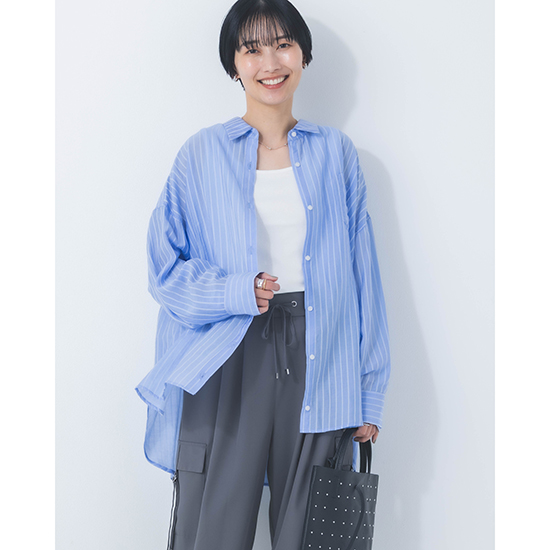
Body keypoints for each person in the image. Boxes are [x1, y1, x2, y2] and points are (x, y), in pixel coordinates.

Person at [135, 1, 391, 549]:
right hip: (227, 354)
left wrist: (369, 391)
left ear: (303, 55)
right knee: (212, 531)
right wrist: (235, 291)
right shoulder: (201, 155)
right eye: (251, 49)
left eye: (283, 44)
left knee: (315, 534)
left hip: (323, 359)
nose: (269, 62)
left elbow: (363, 279)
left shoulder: (336, 154)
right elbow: (164, 269)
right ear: (234, 64)